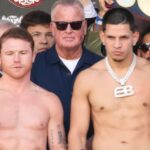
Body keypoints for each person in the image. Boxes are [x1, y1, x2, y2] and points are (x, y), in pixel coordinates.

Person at [68, 8, 150, 150]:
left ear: (135, 37)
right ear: (102, 37)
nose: (117, 45)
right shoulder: (87, 79)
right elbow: (77, 133)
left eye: (123, 37)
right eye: (111, 37)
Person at [31, 0, 102, 144]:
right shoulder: (34, 65)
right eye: (62, 25)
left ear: (84, 27)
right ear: (52, 27)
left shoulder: (101, 66)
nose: (68, 30)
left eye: (75, 25)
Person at [0, 27, 66, 150]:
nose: (16, 60)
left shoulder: (49, 101)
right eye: (10, 53)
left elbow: (58, 147)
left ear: (33, 56)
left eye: (23, 53)